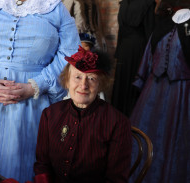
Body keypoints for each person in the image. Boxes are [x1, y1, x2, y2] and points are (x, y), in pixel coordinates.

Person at [0, 0, 80, 182]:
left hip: (33, 109)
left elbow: (71, 53)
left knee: (25, 170)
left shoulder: (55, 8)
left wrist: (37, 85)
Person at [34, 46, 132, 183]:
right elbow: (42, 166)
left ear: (100, 84)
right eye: (77, 77)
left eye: (91, 78)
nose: (83, 85)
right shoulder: (50, 115)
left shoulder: (118, 123)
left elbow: (116, 179)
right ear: (67, 80)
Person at [130, 0, 190, 182]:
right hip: (153, 93)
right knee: (147, 138)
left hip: (183, 94)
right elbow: (149, 55)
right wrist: (140, 81)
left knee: (178, 142)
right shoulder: (162, 26)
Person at [111, 0, 156, 117]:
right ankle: (133, 117)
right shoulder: (148, 3)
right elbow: (150, 32)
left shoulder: (124, 3)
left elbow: (121, 31)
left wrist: (118, 53)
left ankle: (118, 116)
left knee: (122, 83)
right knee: (134, 83)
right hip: (139, 49)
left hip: (124, 49)